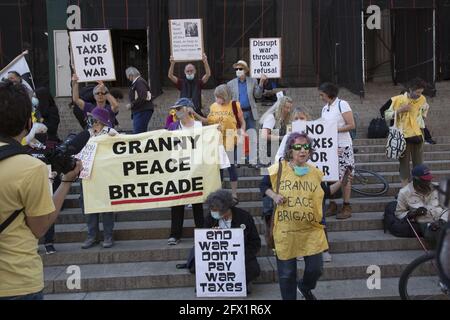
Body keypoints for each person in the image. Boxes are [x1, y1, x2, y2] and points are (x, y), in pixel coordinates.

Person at [0, 81, 82, 300]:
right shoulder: (30, 168)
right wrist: (65, 182)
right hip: (17, 282)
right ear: (28, 122)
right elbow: (40, 227)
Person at [261, 132, 348, 300]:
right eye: (298, 147)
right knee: (287, 275)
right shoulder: (278, 169)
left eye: (306, 147)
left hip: (311, 231)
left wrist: (342, 182)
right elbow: (263, 186)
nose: (302, 151)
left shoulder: (315, 172)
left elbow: (326, 192)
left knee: (316, 268)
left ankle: (304, 287)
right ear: (290, 150)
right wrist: (274, 196)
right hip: (286, 231)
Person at [194, 84, 245, 203]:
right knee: (219, 169)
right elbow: (208, 121)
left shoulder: (234, 105)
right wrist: (195, 114)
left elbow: (242, 122)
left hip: (231, 139)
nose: (217, 99)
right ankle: (219, 193)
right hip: (217, 141)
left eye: (219, 97)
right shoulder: (213, 106)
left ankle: (234, 194)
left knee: (231, 167)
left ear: (225, 96)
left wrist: (242, 132)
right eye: (216, 97)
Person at [204, 189, 261, 292]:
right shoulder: (210, 218)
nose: (213, 212)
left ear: (226, 208)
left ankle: (243, 282)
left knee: (252, 269)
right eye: (212, 209)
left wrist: (241, 254)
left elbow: (255, 242)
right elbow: (203, 242)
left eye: (216, 210)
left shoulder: (244, 217)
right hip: (218, 258)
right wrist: (211, 236)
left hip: (241, 255)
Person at [166, 98, 205, 246]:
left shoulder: (200, 126)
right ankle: (175, 234)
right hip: (178, 169)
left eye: (180, 108)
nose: (176, 111)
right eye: (175, 109)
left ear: (189, 109)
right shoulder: (173, 127)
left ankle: (201, 232)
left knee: (197, 203)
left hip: (196, 168)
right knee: (177, 202)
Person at [81, 107, 117, 249]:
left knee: (106, 206)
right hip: (88, 175)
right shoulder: (87, 134)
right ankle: (92, 236)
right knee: (89, 206)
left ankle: (108, 235)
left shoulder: (111, 133)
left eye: (94, 118)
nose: (92, 121)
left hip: (105, 175)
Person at [319, 82, 356, 220]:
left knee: (345, 176)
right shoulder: (324, 108)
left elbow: (351, 124)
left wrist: (334, 129)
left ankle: (346, 205)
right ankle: (333, 204)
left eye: (322, 94)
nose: (321, 97)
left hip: (343, 145)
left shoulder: (342, 104)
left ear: (329, 93)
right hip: (330, 146)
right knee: (330, 176)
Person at [385, 78, 428, 187]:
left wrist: (422, 115)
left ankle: (418, 188)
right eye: (417, 92)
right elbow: (385, 115)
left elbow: (423, 113)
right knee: (404, 164)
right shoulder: (397, 99)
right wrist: (400, 110)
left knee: (419, 163)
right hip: (402, 136)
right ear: (410, 89)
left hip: (418, 134)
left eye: (421, 92)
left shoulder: (423, 99)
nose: (419, 94)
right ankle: (405, 189)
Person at [34, 87, 62, 254]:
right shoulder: (30, 112)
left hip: (49, 159)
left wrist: (40, 124)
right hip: (33, 157)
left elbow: (51, 128)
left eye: (35, 97)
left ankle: (49, 240)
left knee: (49, 203)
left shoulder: (51, 111)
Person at [395, 164, 448, 246]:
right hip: (426, 223)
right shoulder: (404, 192)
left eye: (429, 179)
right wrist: (413, 213)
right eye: (425, 180)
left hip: (442, 219)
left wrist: (442, 220)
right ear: (416, 180)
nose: (428, 182)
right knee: (438, 234)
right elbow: (399, 213)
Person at [227, 60, 267, 165]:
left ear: (245, 70)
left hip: (250, 112)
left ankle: (251, 160)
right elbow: (227, 99)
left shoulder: (253, 81)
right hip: (236, 113)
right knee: (237, 137)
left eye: (240, 69)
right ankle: (237, 160)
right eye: (237, 69)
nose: (238, 71)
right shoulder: (230, 84)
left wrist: (261, 83)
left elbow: (258, 95)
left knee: (252, 136)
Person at [125, 67, 154, 134]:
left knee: (138, 134)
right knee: (140, 133)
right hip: (141, 111)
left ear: (131, 75)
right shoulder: (140, 81)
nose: (129, 79)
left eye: (128, 77)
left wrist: (132, 104)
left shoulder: (139, 82)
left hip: (142, 111)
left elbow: (143, 96)